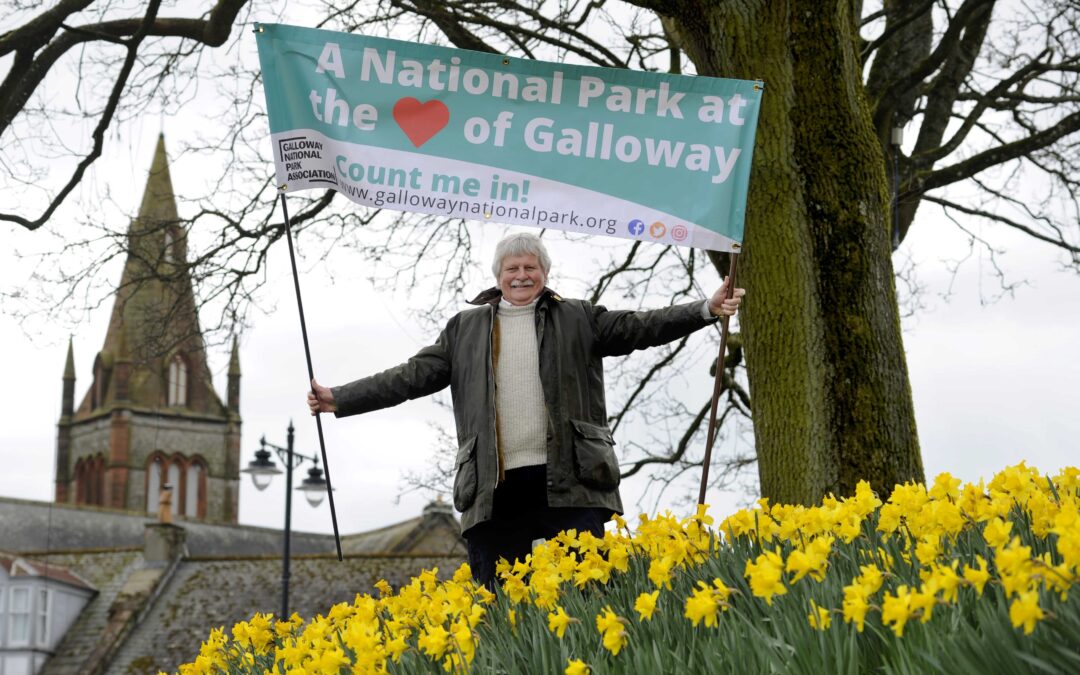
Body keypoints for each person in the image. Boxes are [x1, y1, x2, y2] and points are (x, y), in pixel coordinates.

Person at [308, 232, 744, 587]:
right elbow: (409, 376)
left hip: (570, 479)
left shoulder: (577, 317)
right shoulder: (465, 329)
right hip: (494, 487)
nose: (521, 275)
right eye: (512, 269)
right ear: (498, 276)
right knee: (498, 603)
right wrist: (341, 397)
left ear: (545, 274)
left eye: (529, 267)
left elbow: (641, 326)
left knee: (585, 591)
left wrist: (704, 309)